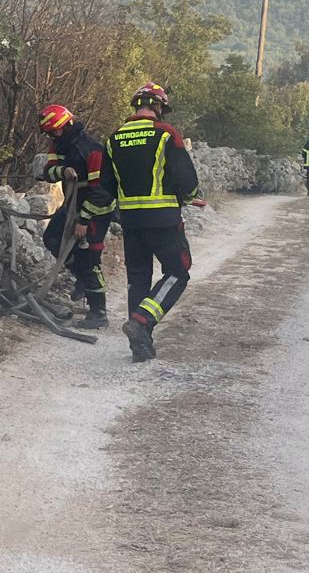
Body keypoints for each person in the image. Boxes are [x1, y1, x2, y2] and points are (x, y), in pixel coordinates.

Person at [105, 81, 205, 362]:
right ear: (159, 107)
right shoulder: (166, 134)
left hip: (131, 222)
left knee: (137, 279)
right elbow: (186, 180)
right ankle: (142, 321)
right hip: (162, 219)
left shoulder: (114, 138)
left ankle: (140, 346)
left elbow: (106, 186)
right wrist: (191, 196)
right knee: (177, 272)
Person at [36, 104, 114, 328]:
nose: (52, 137)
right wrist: (63, 171)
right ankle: (80, 277)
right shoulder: (60, 145)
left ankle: (99, 312)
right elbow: (48, 171)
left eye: (54, 131)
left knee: (89, 260)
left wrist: (84, 220)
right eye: (49, 133)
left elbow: (102, 190)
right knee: (52, 239)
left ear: (66, 125)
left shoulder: (92, 149)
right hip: (72, 205)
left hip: (96, 210)